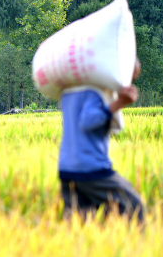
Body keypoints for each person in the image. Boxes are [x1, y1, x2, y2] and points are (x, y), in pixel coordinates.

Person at [58, 59, 144, 223]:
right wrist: (119, 103)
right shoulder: (96, 90)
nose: (127, 85)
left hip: (66, 169)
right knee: (134, 206)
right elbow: (87, 121)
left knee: (80, 225)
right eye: (128, 79)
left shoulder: (69, 90)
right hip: (91, 169)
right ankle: (140, 247)